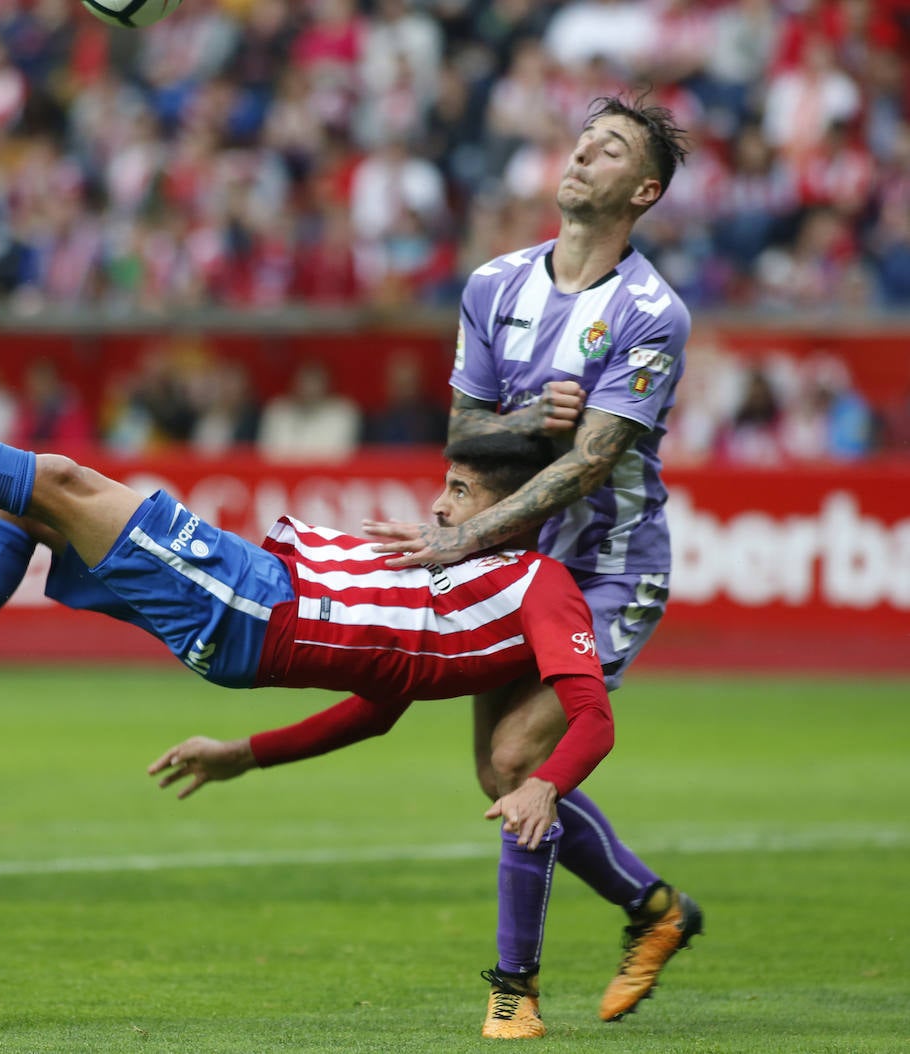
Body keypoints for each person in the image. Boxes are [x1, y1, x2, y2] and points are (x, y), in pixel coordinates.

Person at [0, 249, 612, 1039]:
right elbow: (376, 709)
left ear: (516, 511)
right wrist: (244, 755)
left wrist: (544, 784)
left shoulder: (538, 586)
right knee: (26, 505)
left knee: (53, 480)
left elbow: (591, 715)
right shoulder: (454, 588)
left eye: (459, 493)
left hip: (252, 609)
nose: (438, 508)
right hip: (252, 590)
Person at [361, 94, 703, 1024]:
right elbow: (464, 429)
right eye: (583, 138)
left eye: (612, 147)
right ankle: (656, 910)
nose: (583, 151)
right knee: (502, 778)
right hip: (512, 557)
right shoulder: (492, 285)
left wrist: (459, 538)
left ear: (643, 191)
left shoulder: (650, 313)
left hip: (609, 562)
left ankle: (513, 996)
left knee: (521, 757)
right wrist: (518, 431)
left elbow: (596, 460)